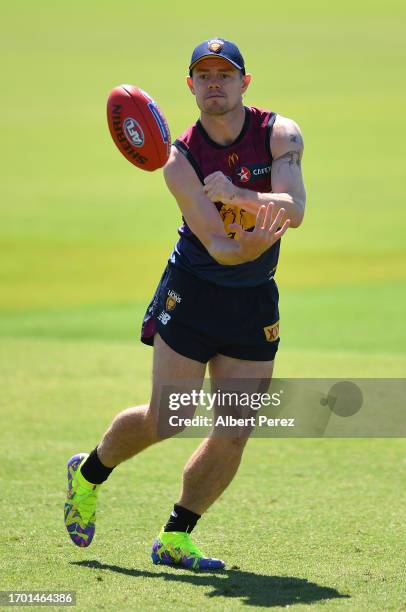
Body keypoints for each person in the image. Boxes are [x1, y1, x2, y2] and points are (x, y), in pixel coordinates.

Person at [64, 38, 306, 570]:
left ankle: (176, 536)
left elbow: (296, 207)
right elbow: (220, 248)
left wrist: (242, 198)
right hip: (193, 293)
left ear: (245, 83)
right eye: (204, 75)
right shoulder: (180, 160)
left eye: (225, 73)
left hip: (255, 299)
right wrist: (260, 223)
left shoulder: (279, 133)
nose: (214, 82)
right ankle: (88, 473)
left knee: (235, 430)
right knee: (169, 417)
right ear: (190, 85)